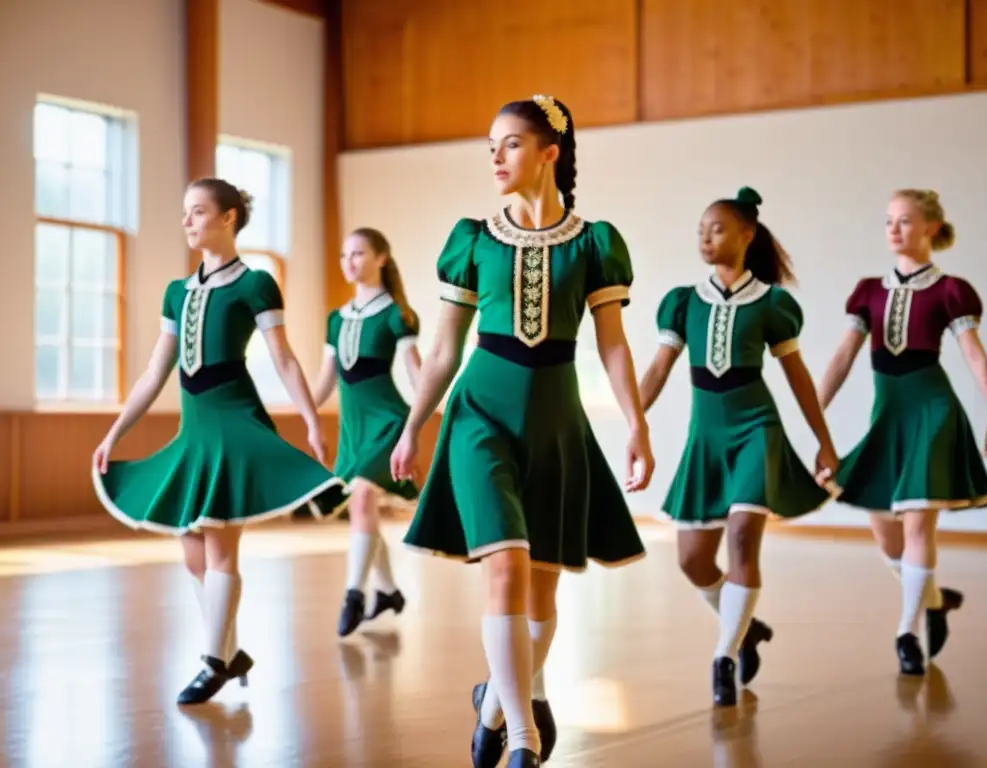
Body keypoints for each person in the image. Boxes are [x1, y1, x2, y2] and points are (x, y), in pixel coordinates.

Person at [389, 95, 653, 768]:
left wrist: (636, 425)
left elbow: (615, 347)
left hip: (557, 419)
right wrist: (414, 426)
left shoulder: (596, 243)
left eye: (509, 144)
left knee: (541, 586)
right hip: (480, 412)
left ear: (549, 153)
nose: (496, 158)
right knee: (503, 566)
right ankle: (524, 739)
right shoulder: (472, 239)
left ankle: (494, 701)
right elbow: (444, 350)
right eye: (491, 147)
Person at [92, 177, 343, 705]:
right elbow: (155, 371)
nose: (188, 221)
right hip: (195, 429)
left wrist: (312, 420)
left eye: (199, 211)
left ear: (229, 218)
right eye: (185, 212)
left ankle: (212, 664)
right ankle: (230, 653)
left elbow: (284, 358)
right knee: (192, 554)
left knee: (221, 547)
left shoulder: (256, 285)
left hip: (234, 422)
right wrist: (115, 432)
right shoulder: (175, 292)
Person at [639, 186, 838, 708]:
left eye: (718, 228)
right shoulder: (682, 303)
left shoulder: (773, 305)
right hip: (704, 437)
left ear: (747, 235)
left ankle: (724, 656)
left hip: (757, 429)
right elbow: (659, 368)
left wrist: (823, 442)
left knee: (744, 536)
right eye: (701, 229)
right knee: (691, 560)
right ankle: (746, 628)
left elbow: (797, 377)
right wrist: (636, 425)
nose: (706, 237)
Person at [818, 189, 987, 675]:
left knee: (918, 520)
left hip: (932, 409)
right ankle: (936, 600)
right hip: (889, 415)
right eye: (888, 221)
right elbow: (842, 356)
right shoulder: (868, 291)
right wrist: (813, 413)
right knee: (883, 528)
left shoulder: (951, 290)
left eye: (904, 221)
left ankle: (905, 631)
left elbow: (974, 354)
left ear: (931, 230)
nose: (894, 229)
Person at [312, 227, 421, 637]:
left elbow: (416, 370)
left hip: (388, 421)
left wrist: (426, 415)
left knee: (361, 497)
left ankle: (353, 595)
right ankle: (389, 590)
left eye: (358, 253)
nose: (349, 261)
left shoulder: (398, 314)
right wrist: (301, 412)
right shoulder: (336, 319)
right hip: (352, 428)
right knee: (364, 509)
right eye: (345, 255)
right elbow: (324, 381)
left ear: (381, 258)